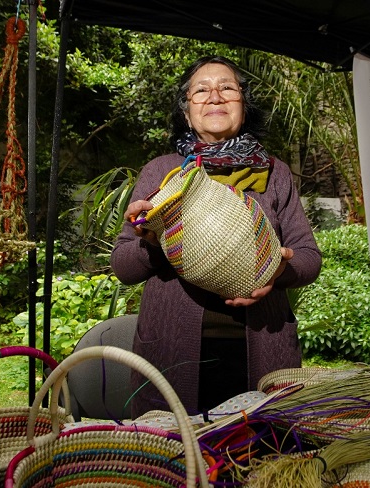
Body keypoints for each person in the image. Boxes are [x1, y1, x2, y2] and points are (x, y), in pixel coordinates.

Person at [110, 55, 322, 418]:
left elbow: (308, 256)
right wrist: (152, 238)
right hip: (172, 352)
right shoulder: (162, 172)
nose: (215, 96)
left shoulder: (274, 173)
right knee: (179, 461)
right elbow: (123, 266)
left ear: (244, 103)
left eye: (227, 87)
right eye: (201, 90)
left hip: (262, 349)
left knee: (258, 457)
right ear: (187, 110)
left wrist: (277, 270)